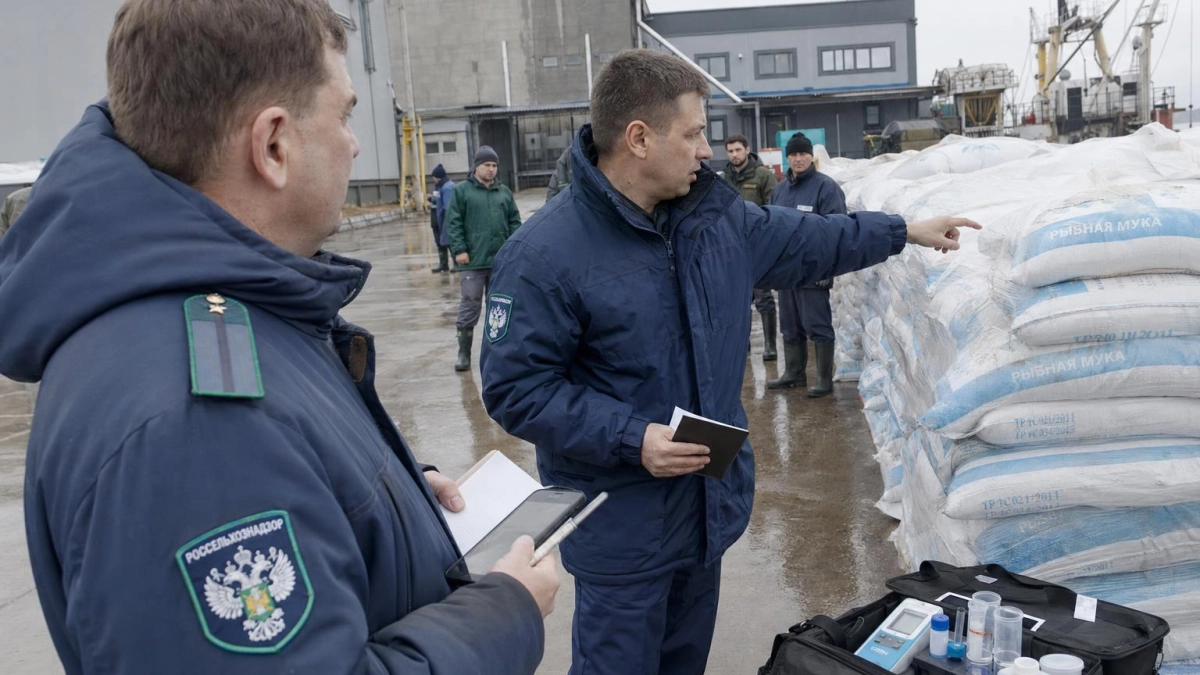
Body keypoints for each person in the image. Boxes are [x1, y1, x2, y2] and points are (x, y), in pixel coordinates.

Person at [0, 1, 556, 673]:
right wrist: (505, 612)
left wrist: (393, 498)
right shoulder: (194, 424)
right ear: (272, 145)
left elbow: (285, 470)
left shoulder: (233, 309)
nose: (354, 142)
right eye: (345, 114)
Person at [478, 49, 979, 675]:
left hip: (703, 516)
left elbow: (811, 240)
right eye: (692, 134)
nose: (706, 151)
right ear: (638, 139)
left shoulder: (714, 223)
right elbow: (516, 389)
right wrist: (635, 439)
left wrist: (902, 230)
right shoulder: (545, 255)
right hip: (624, 532)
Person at [766, 132, 846, 396]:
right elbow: (773, 229)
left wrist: (828, 269)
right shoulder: (780, 189)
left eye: (803, 154)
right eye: (793, 154)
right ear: (787, 157)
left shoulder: (826, 187)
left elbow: (838, 230)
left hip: (814, 270)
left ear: (811, 156)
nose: (798, 159)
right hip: (787, 272)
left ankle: (824, 379)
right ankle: (794, 373)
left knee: (817, 324)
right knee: (789, 324)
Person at [444, 145, 522, 372]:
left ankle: (499, 353)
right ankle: (463, 353)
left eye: (494, 165)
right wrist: (459, 249)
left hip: (500, 261)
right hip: (473, 261)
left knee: (499, 308)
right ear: (476, 166)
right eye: (487, 165)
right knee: (470, 305)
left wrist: (514, 250)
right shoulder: (462, 192)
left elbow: (515, 223)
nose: (491, 169)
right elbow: (454, 223)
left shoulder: (504, 192)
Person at [722, 133, 779, 361]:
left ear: (747, 150)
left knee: (763, 297)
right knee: (737, 299)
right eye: (730, 151)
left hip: (757, 247)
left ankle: (770, 345)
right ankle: (741, 344)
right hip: (731, 248)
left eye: (738, 150)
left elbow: (773, 209)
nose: (734, 155)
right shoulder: (724, 178)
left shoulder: (763, 175)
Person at [427, 163, 454, 273]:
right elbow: (438, 200)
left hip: (446, 220)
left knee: (449, 242)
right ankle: (443, 264)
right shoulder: (440, 186)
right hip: (438, 220)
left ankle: (457, 264)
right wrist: (431, 199)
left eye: (434, 177)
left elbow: (448, 206)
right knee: (441, 242)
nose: (433, 179)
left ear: (437, 177)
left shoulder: (448, 187)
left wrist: (447, 221)